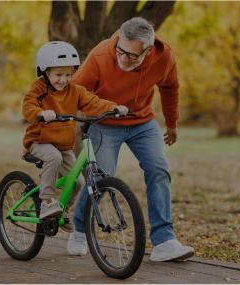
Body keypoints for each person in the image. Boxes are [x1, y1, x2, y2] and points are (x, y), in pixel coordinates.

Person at [67, 17, 194, 262]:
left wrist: (172, 123)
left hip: (142, 121)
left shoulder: (164, 56)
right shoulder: (101, 56)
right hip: (103, 122)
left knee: (159, 170)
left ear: (148, 50)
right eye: (121, 50)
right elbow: (74, 92)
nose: (123, 58)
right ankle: (80, 229)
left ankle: (164, 241)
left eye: (132, 55)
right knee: (101, 178)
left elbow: (170, 87)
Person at [22, 41, 128, 233]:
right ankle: (46, 202)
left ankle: (61, 211)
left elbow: (93, 102)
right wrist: (41, 112)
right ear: (45, 72)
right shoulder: (39, 87)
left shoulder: (75, 90)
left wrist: (113, 107)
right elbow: (28, 106)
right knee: (53, 157)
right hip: (39, 141)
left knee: (79, 182)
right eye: (58, 74)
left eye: (68, 74)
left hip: (64, 145)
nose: (64, 79)